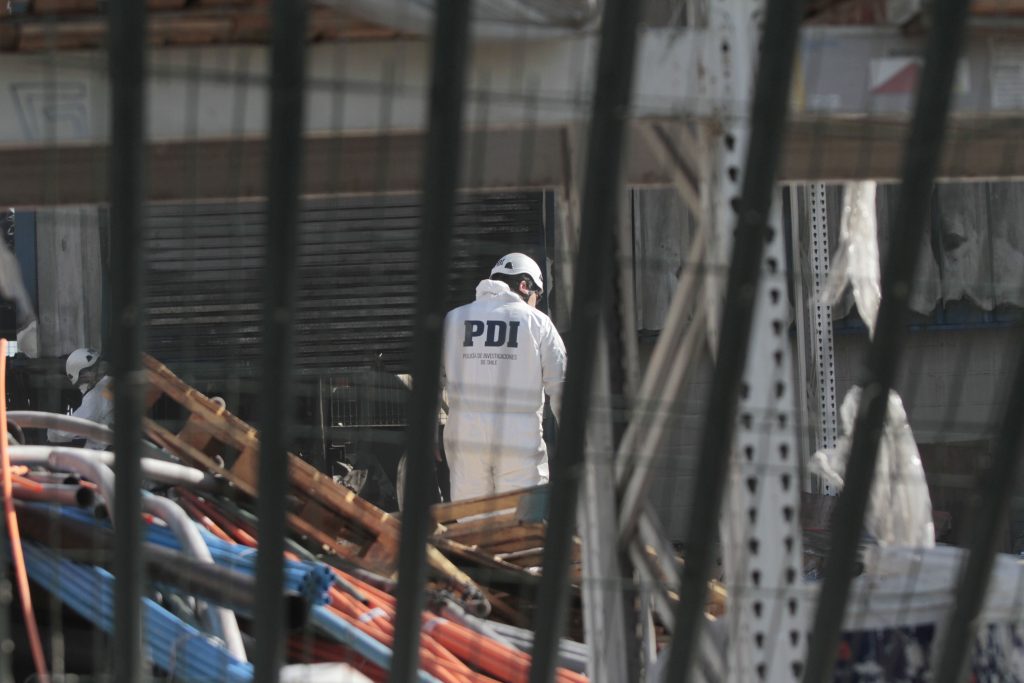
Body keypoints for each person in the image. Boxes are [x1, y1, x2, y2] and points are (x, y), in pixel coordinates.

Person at [441, 252, 567, 501]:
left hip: (466, 439)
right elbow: (562, 384)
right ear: (524, 285)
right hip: (518, 442)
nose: (536, 303)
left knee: (470, 522)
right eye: (537, 296)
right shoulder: (538, 323)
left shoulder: (454, 319)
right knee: (522, 524)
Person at [47, 347, 113, 449]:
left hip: (103, 454)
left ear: (82, 375)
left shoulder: (96, 394)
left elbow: (74, 426)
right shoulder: (110, 383)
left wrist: (50, 431)